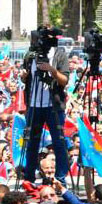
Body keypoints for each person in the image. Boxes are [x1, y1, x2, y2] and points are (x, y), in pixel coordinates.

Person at [20, 36, 70, 184]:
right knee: (31, 143)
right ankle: (29, 176)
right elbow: (25, 79)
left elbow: (64, 80)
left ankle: (61, 178)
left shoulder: (60, 54)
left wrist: (51, 69)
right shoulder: (30, 56)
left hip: (53, 106)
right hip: (34, 106)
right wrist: (24, 76)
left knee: (59, 143)